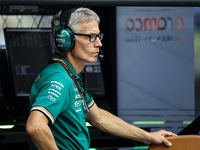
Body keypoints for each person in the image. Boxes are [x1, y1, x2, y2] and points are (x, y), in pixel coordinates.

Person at [26, 7, 176, 150]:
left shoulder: (70, 75)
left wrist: (147, 137)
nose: (99, 43)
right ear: (67, 40)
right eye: (91, 37)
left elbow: (99, 118)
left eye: (98, 36)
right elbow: (35, 126)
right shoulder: (59, 79)